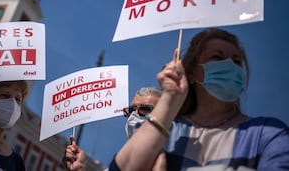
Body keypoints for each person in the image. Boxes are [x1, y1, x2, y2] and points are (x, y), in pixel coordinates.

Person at [109, 28, 289, 171]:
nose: (229, 66)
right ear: (193, 71)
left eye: (236, 61)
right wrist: (169, 99)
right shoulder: (164, 133)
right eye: (217, 57)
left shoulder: (268, 134)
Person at [64, 87, 166, 171]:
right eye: (131, 110)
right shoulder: (116, 166)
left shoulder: (176, 158)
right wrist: (79, 169)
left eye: (145, 109)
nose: (134, 115)